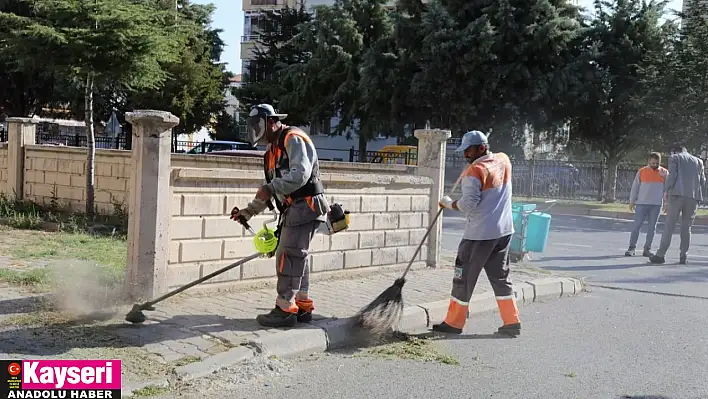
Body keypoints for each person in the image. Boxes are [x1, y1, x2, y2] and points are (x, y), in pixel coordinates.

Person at [231, 104, 329, 328]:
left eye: (260, 125)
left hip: (306, 205)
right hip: (295, 208)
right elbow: (268, 190)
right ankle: (302, 306)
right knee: (298, 256)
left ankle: (285, 309)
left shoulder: (292, 138)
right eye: (255, 127)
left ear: (272, 122)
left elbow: (300, 175)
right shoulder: (270, 153)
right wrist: (248, 212)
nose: (258, 131)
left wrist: (272, 187)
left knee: (289, 255)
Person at [436, 130, 520, 336]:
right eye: (464, 151)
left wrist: (450, 204)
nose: (465, 155)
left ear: (481, 148)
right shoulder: (503, 160)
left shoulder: (474, 173)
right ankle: (512, 322)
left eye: (469, 150)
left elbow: (469, 205)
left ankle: (454, 323)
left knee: (462, 278)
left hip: (479, 236)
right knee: (501, 278)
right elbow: (494, 164)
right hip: (503, 232)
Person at [649, 145, 706, 265]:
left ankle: (660, 254)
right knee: (687, 227)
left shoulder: (675, 158)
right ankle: (683, 255)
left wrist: (666, 190)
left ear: (674, 151)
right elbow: (702, 181)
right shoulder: (699, 161)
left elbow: (672, 177)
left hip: (676, 195)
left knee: (669, 225)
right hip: (693, 197)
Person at [625, 152, 668, 257]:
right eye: (652, 163)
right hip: (642, 204)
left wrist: (666, 203)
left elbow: (667, 189)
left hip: (656, 205)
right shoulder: (642, 171)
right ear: (649, 161)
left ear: (660, 162)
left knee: (652, 227)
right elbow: (635, 187)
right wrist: (632, 201)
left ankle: (647, 249)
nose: (654, 165)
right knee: (636, 226)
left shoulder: (664, 172)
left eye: (656, 163)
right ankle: (631, 248)